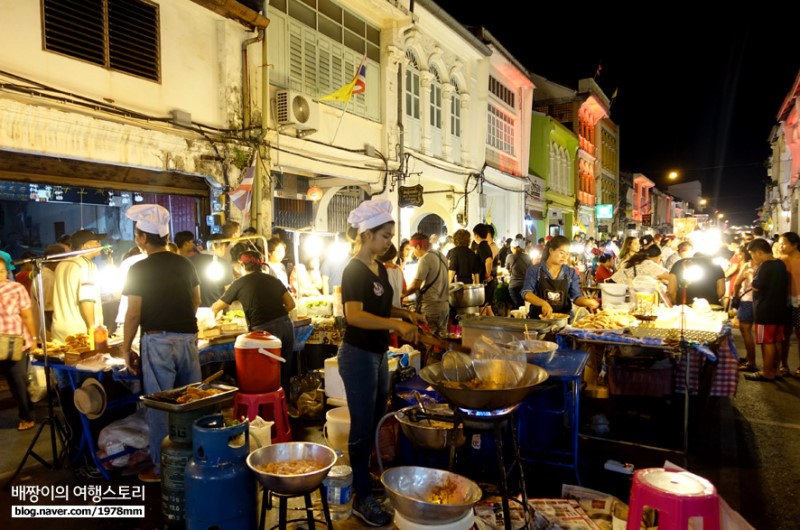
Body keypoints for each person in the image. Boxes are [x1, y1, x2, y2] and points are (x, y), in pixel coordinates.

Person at [338, 199, 425, 526]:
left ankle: (364, 478)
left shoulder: (377, 268)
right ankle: (362, 495)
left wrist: (404, 313)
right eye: (385, 236)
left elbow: (379, 308)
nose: (389, 241)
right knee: (361, 427)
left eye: (390, 236)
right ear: (366, 234)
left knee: (374, 419)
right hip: (357, 356)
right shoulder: (354, 269)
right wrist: (396, 326)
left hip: (377, 355)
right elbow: (355, 315)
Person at [122, 204, 202, 482]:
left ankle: (162, 468)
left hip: (157, 340)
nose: (136, 238)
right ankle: (194, 461)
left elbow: (133, 313)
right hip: (188, 338)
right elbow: (196, 301)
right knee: (191, 401)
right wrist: (181, 326)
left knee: (159, 406)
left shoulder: (138, 268)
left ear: (144, 238)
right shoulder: (185, 262)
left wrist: (125, 347)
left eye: (137, 234)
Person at [212, 251, 296, 390]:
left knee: (265, 372)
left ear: (242, 265)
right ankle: (282, 406)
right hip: (286, 326)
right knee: (284, 370)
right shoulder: (273, 280)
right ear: (260, 265)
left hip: (264, 331)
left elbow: (216, 307)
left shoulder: (239, 283)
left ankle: (264, 408)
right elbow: (291, 305)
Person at [743, 238, 788, 382]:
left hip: (765, 310)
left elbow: (756, 285)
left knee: (766, 342)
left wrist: (750, 274)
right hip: (779, 309)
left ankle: (767, 372)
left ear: (760, 252)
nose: (752, 257)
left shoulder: (765, 266)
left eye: (753, 254)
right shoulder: (780, 264)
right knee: (777, 340)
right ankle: (776, 370)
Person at [521, 236, 599, 318]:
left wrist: (587, 302)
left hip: (564, 320)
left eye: (567, 254)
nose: (565, 257)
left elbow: (576, 297)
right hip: (539, 319)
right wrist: (543, 303)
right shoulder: (535, 270)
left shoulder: (570, 272)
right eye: (561, 253)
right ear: (551, 250)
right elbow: (526, 293)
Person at [51, 229, 106, 343]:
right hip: (79, 331)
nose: (100, 245)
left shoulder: (62, 264)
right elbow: (87, 299)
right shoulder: (87, 265)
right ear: (85, 246)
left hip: (58, 328)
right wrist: (92, 328)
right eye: (96, 242)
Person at [0, 258, 36, 431]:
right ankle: (26, 406)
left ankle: (26, 415)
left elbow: (27, 315)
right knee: (10, 380)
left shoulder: (16, 288)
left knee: (18, 379)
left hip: (15, 341)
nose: (1, 273)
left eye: (2, 270)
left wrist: (34, 339)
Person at [403, 232, 449, 335]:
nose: (413, 253)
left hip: (430, 307)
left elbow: (415, 285)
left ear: (418, 246)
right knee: (442, 340)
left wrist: (402, 294)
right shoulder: (442, 256)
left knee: (429, 340)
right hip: (444, 306)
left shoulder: (425, 259)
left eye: (413, 249)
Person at [190, 233, 234, 307]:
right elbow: (228, 292)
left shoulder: (191, 260)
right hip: (216, 308)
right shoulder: (224, 263)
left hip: (194, 308)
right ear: (222, 247)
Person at [779, 232, 800, 378]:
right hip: (785, 302)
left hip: (799, 301)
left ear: (795, 245)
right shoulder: (780, 260)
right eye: (780, 243)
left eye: (784, 243)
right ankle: (783, 365)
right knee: (784, 335)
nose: (781, 246)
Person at [733, 248, 757, 373]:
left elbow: (737, 283)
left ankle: (751, 362)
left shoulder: (748, 266)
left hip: (747, 300)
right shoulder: (764, 265)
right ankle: (749, 357)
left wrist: (735, 295)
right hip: (758, 302)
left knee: (745, 330)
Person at [473, 223, 496, 314]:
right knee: (488, 307)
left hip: (484, 282)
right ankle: (494, 327)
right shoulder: (486, 245)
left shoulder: (482, 246)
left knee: (482, 308)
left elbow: (489, 261)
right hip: (488, 283)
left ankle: (483, 327)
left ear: (476, 235)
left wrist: (488, 274)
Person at [505, 238, 532, 309]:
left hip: (513, 285)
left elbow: (508, 270)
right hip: (526, 286)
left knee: (516, 307)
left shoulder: (509, 257)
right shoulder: (528, 257)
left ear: (513, 247)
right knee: (525, 307)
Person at [380, 244, 405, 308]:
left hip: (386, 312)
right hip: (398, 312)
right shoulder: (399, 270)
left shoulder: (381, 270)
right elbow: (404, 290)